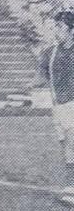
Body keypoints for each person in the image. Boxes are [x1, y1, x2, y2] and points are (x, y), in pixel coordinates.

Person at [32, 11, 74, 196]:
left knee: (72, 144)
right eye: (56, 27)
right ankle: (71, 184)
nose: (57, 30)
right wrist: (29, 84)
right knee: (66, 146)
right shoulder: (50, 52)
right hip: (58, 107)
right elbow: (41, 78)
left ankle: (72, 187)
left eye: (61, 27)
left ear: (72, 30)